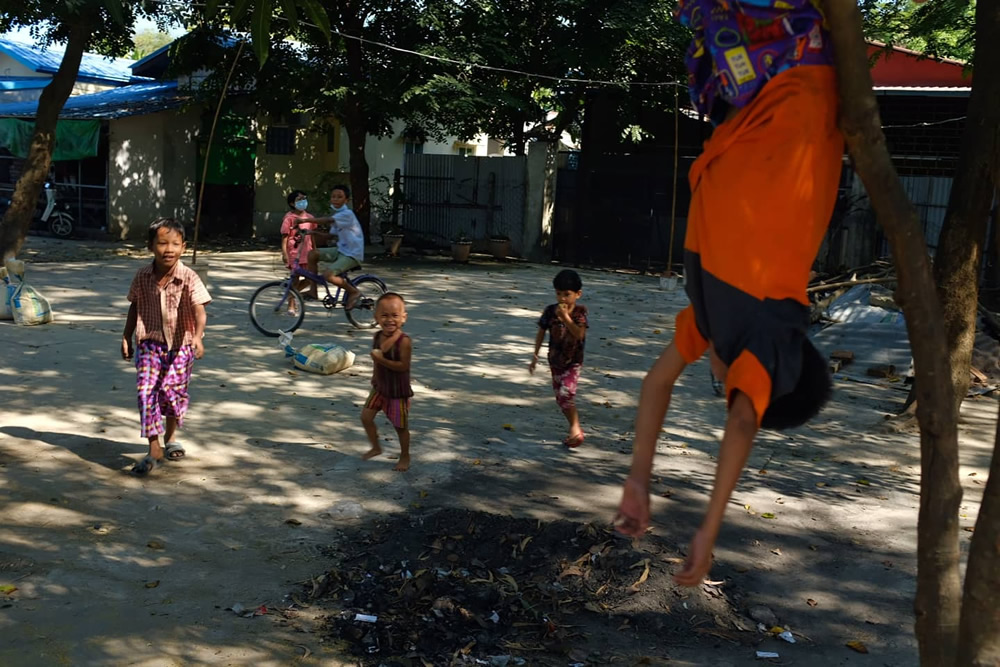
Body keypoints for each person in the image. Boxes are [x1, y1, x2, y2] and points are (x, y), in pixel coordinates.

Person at [614, 0, 843, 586]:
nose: (718, 378)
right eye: (727, 388)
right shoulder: (770, 338)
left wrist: (638, 480)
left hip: (748, 102)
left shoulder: (713, 326)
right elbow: (741, 424)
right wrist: (708, 531)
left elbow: (657, 381)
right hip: (795, 86)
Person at [121, 218, 211, 475]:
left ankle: (170, 438)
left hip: (182, 346)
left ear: (183, 247)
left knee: (172, 392)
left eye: (174, 244)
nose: (168, 249)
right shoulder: (142, 276)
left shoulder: (189, 277)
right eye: (162, 243)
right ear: (151, 246)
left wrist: (198, 336)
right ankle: (154, 447)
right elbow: (134, 306)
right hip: (149, 344)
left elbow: (200, 310)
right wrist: (126, 336)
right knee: (146, 392)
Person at [529, 269, 588, 447]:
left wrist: (566, 318)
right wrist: (535, 354)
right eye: (558, 293)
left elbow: (579, 334)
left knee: (566, 393)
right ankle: (574, 429)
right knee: (561, 399)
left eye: (567, 294)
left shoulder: (579, 313)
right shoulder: (550, 311)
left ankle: (576, 429)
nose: (562, 298)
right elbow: (541, 331)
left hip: (573, 361)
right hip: (555, 360)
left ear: (578, 294)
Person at [361, 293, 414, 471]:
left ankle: (405, 455)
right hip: (379, 388)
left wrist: (380, 360)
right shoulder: (377, 336)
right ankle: (376, 447)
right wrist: (375, 377)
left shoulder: (404, 342)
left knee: (400, 427)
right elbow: (377, 361)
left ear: (404, 318)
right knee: (366, 418)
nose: (389, 320)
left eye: (395, 315)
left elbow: (402, 367)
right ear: (376, 317)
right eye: (384, 315)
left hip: (397, 392)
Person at [306, 185, 363, 310]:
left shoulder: (347, 214)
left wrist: (302, 221)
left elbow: (327, 220)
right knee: (312, 254)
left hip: (352, 254)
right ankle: (313, 291)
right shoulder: (338, 215)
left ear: (346, 200)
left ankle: (354, 292)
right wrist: (314, 233)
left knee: (328, 275)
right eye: (333, 197)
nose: (335, 199)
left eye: (339, 197)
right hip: (341, 250)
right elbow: (331, 236)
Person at [280, 189, 319, 300]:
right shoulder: (289, 218)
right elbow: (285, 237)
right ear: (292, 203)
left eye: (304, 198)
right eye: (299, 199)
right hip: (294, 253)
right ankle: (291, 304)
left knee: (309, 278)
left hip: (308, 253)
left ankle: (292, 295)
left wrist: (315, 250)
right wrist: (284, 254)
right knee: (295, 278)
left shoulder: (310, 218)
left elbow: (312, 236)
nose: (303, 201)